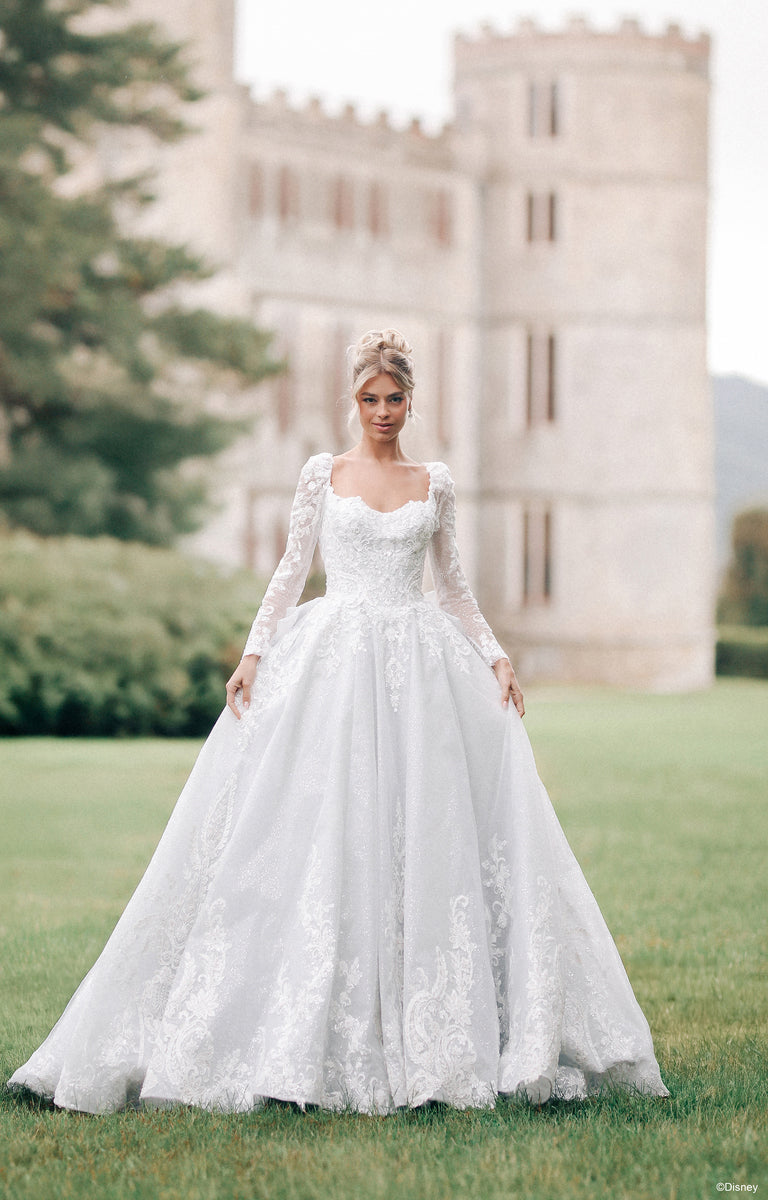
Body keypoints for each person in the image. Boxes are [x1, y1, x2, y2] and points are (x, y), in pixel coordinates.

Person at [8, 329, 668, 1114]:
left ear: (411, 402)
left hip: (419, 673)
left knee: (420, 832)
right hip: (332, 663)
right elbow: (291, 572)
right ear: (351, 400)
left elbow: (452, 585)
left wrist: (495, 656)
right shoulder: (323, 474)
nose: (382, 411)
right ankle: (294, 1021)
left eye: (394, 398)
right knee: (312, 831)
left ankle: (434, 1025)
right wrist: (254, 653)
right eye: (369, 398)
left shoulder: (436, 482)